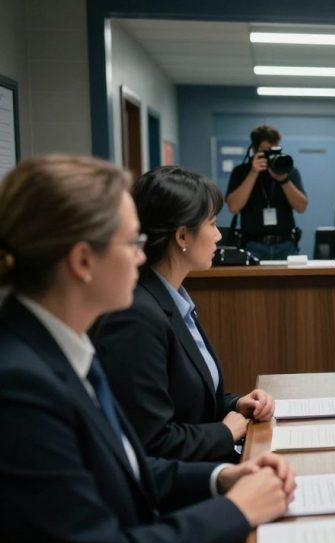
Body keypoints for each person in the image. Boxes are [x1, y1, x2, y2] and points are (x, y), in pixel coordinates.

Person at [0, 154, 294, 543]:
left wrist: (223, 478)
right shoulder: (20, 387)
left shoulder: (61, 346)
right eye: (132, 243)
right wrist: (236, 509)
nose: (141, 259)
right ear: (83, 261)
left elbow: (130, 468)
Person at [92, 167, 276, 463]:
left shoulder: (173, 299)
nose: (218, 235)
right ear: (182, 236)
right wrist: (225, 433)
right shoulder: (136, 316)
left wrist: (236, 403)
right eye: (213, 224)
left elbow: (188, 401)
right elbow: (151, 442)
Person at [225, 124, 308, 260]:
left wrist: (283, 180)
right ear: (254, 149)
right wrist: (253, 173)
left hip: (285, 245)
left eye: (273, 150)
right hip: (252, 245)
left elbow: (301, 207)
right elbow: (234, 207)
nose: (270, 156)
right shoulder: (241, 172)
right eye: (265, 151)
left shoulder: (288, 170)